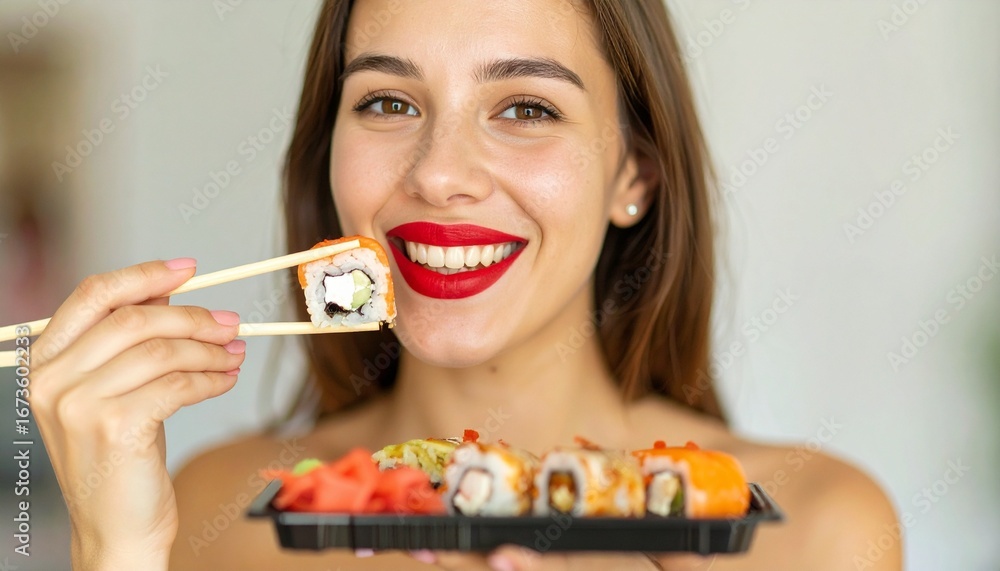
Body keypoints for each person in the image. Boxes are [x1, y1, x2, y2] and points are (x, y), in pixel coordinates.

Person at [31, 1, 902, 569]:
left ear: (633, 174)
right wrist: (112, 550)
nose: (439, 174)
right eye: (388, 102)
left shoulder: (820, 528)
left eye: (527, 107)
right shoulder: (211, 511)